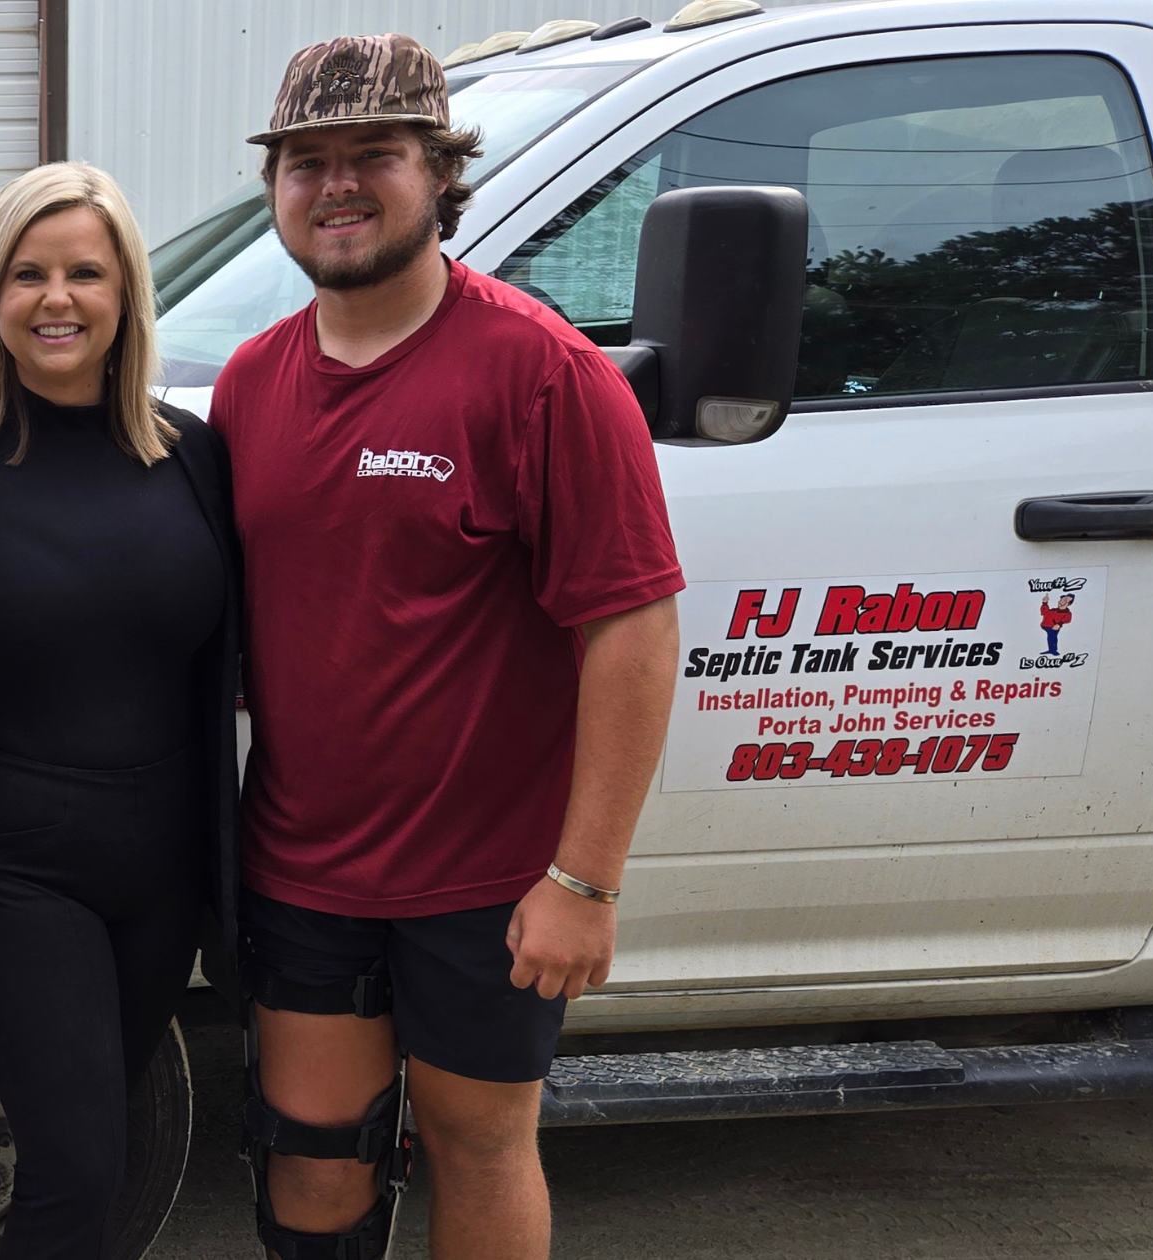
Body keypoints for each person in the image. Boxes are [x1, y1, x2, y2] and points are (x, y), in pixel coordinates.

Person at [211, 34, 684, 1260]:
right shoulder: (249, 385)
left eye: (373, 154)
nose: (336, 185)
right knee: (311, 1167)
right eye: (305, 161)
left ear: (441, 173)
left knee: (479, 1151)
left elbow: (630, 629)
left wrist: (582, 882)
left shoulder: (544, 375)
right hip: (301, 869)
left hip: (487, 886)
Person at [0, 161, 240, 1260]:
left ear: (125, 292)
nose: (57, 299)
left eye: (85, 272)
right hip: (14, 871)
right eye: (27, 273)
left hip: (162, 876)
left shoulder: (193, 456)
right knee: (77, 1169)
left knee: (100, 1155)